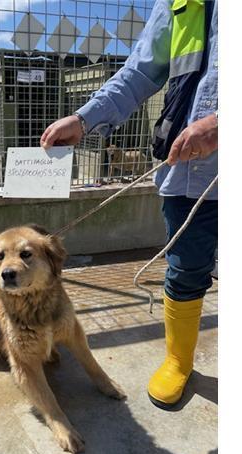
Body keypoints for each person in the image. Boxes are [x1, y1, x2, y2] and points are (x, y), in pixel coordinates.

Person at [40, 0, 218, 410]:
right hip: (189, 169)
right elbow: (140, 71)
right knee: (186, 266)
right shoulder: (179, 2)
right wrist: (84, 119)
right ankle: (179, 360)